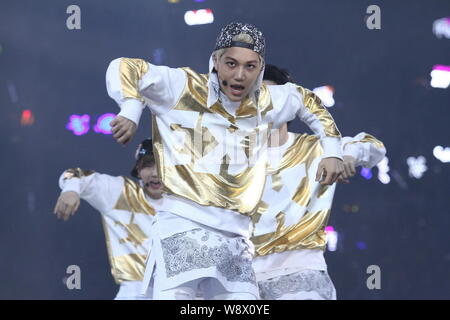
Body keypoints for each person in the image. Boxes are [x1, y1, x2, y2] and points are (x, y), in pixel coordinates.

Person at [105, 22, 345, 300]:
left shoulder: (267, 101)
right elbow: (123, 66)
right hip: (183, 227)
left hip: (235, 240)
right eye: (231, 63)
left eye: (250, 67)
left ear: (260, 68)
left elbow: (310, 103)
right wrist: (132, 108)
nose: (240, 75)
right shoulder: (183, 87)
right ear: (216, 60)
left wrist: (331, 150)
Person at [251, 64, 386, 300]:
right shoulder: (230, 157)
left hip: (302, 278)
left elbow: (374, 146)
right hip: (244, 283)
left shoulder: (318, 149)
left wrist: (347, 156)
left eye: (273, 97)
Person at [53, 139, 164, 300]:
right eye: (148, 165)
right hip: (135, 291)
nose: (155, 173)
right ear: (138, 170)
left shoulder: (192, 203)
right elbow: (74, 173)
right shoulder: (121, 193)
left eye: (162, 166)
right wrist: (71, 190)